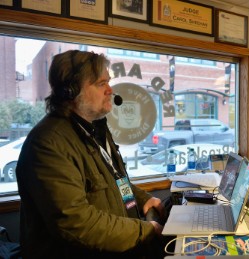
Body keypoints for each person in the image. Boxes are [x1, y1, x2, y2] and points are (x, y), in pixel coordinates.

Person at [16, 50, 167, 258]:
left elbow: (115, 182)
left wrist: (141, 199)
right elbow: (76, 223)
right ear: (71, 91)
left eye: (108, 82)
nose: (110, 90)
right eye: (100, 83)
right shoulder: (48, 144)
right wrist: (145, 230)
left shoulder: (95, 130)